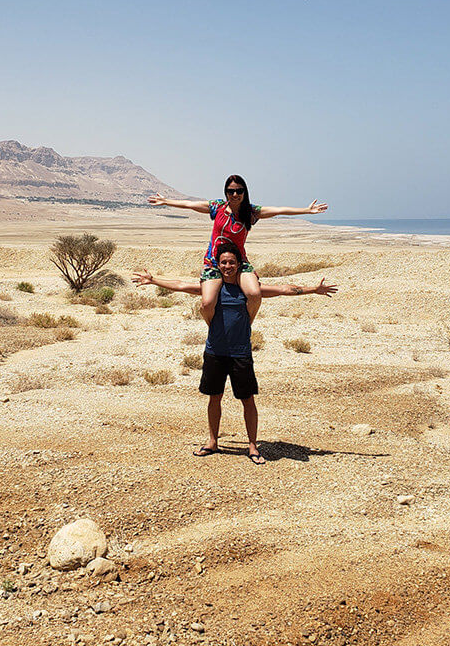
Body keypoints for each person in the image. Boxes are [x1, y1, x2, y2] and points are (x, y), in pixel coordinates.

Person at [132, 241, 336, 465]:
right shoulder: (212, 288)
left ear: (239, 264)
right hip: (215, 352)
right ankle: (212, 442)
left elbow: (284, 290)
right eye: (223, 262)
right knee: (214, 398)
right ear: (218, 265)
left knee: (247, 400)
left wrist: (313, 290)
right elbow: (181, 285)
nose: (228, 266)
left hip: (241, 353)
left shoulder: (249, 289)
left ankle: (252, 446)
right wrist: (153, 281)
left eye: (231, 262)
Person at [148, 175, 327, 324]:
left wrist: (306, 210)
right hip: (213, 261)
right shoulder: (217, 207)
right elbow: (190, 205)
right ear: (226, 193)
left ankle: (245, 325)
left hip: (239, 261)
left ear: (244, 192)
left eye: (239, 190)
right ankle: (214, 328)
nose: (235, 194)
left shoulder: (251, 212)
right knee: (207, 303)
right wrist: (165, 201)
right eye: (231, 191)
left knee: (255, 294)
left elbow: (278, 210)